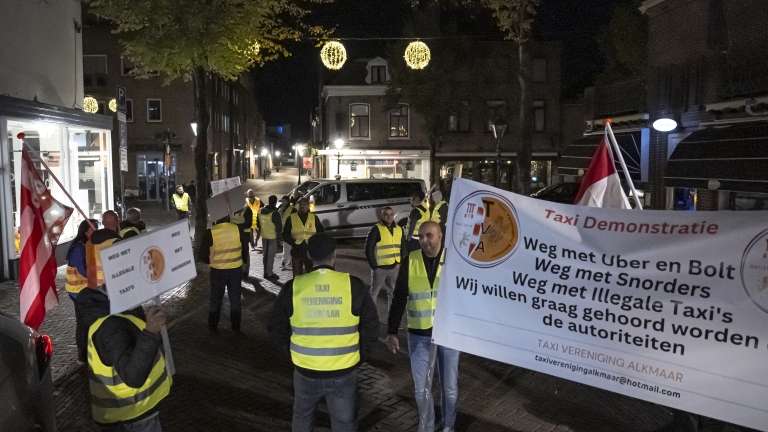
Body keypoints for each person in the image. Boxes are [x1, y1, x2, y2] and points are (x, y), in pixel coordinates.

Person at [267, 233, 379, 432]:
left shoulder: (294, 288)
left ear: (309, 255)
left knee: (302, 418)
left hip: (305, 372)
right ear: (334, 255)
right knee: (344, 423)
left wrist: (293, 353)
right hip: (343, 373)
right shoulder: (353, 286)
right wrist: (358, 357)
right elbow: (371, 328)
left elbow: (275, 329)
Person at [387, 222, 458, 432]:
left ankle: (448, 426)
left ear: (440, 236)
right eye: (420, 236)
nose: (424, 240)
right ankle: (426, 427)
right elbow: (399, 297)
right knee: (421, 390)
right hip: (419, 335)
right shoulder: (411, 261)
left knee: (450, 389)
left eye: (429, 236)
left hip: (449, 335)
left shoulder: (454, 261)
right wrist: (392, 331)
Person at [88, 302, 172, 431]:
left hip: (135, 415)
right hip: (132, 420)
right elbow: (133, 377)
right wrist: (150, 332)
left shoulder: (118, 310)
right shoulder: (111, 326)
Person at [200, 215, 248, 333]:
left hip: (217, 271)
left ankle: (213, 326)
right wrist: (244, 261)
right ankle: (236, 326)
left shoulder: (210, 232)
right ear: (228, 217)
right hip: (235, 270)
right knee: (235, 298)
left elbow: (203, 255)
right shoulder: (237, 229)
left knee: (215, 298)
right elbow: (245, 249)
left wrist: (211, 261)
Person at [65, 219, 97, 364]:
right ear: (85, 231)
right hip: (79, 292)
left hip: (83, 290)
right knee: (83, 323)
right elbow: (85, 271)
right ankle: (82, 356)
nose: (96, 231)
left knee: (85, 322)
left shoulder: (85, 245)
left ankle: (86, 353)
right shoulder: (79, 248)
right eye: (93, 229)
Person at [365, 207, 401, 313]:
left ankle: (392, 319)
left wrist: (399, 263)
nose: (389, 217)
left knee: (393, 294)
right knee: (374, 293)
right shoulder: (376, 229)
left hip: (394, 268)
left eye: (391, 214)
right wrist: (374, 266)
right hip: (380, 269)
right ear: (382, 216)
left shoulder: (398, 229)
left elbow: (403, 247)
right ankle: (373, 319)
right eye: (386, 214)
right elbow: (368, 249)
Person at [282, 197, 324, 277]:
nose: (302, 206)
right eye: (300, 204)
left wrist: (316, 245)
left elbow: (321, 233)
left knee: (312, 275)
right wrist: (293, 242)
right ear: (297, 206)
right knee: (297, 276)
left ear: (308, 206)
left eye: (304, 204)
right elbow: (285, 234)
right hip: (297, 250)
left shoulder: (314, 218)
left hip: (310, 251)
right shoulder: (291, 218)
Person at [86, 211, 122, 290]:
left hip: (92, 286)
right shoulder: (116, 242)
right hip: (109, 288)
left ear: (102, 222)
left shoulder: (89, 242)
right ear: (118, 222)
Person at [257, 195, 282, 279]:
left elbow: (258, 225)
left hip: (264, 236)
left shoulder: (260, 212)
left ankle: (265, 272)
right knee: (271, 256)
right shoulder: (275, 213)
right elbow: (279, 228)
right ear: (275, 202)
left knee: (265, 255)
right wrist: (280, 239)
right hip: (272, 237)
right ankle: (269, 273)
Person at [402, 190, 429, 255]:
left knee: (413, 258)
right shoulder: (426, 210)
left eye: (412, 198)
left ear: (415, 199)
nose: (410, 200)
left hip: (415, 240)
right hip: (423, 239)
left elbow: (412, 225)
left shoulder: (415, 211)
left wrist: (408, 238)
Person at [278, 195, 295, 270]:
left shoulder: (293, 209)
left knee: (287, 247)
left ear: (288, 201)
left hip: (290, 231)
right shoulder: (280, 209)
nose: (284, 202)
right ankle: (289, 262)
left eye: (285, 201)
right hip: (284, 231)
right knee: (287, 247)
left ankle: (284, 263)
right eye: (283, 201)